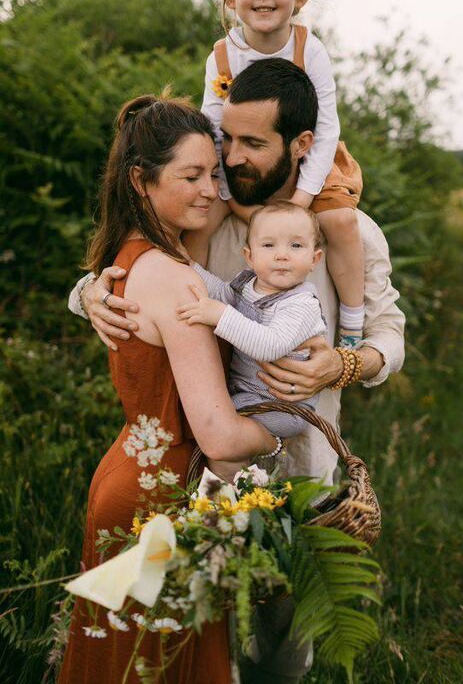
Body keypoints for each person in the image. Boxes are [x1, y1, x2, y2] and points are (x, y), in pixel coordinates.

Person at [71, 58, 405, 683]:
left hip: (301, 468)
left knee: (280, 649)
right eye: (228, 140)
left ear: (300, 145)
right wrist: (87, 292)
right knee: (192, 640)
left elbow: (390, 335)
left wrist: (344, 362)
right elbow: (149, 271)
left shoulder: (350, 236)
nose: (233, 159)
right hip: (210, 472)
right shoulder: (213, 224)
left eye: (253, 143)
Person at [59, 92, 280, 684]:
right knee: (159, 665)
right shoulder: (175, 278)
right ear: (141, 180)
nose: (210, 189)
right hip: (161, 506)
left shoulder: (126, 259)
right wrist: (277, 436)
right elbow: (218, 435)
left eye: (213, 173)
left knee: (122, 663)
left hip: (127, 476)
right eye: (191, 176)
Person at [183, 0, 366, 348]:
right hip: (233, 162)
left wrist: (300, 201)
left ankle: (352, 326)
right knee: (197, 221)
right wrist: (229, 197)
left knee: (339, 220)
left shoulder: (309, 48)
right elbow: (214, 130)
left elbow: (326, 127)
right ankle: (189, 305)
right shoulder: (222, 55)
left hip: (311, 159)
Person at [178, 201, 328, 479]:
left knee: (215, 424)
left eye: (296, 246)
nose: (282, 255)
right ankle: (231, 494)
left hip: (283, 406)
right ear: (249, 256)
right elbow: (220, 293)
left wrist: (220, 316)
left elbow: (270, 345)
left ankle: (225, 494)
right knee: (219, 440)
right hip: (248, 393)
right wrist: (187, 266)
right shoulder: (247, 284)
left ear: (314, 258)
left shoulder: (301, 304)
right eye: (269, 245)